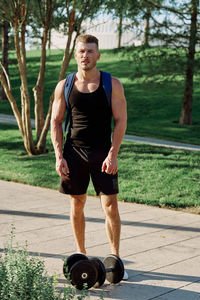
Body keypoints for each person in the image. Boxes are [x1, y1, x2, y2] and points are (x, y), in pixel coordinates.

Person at [51, 34, 128, 280]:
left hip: (103, 153)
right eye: (82, 51)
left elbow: (121, 120)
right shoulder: (65, 85)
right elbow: (55, 120)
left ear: (98, 55)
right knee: (76, 203)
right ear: (76, 54)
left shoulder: (112, 84)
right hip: (74, 152)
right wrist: (59, 156)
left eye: (90, 51)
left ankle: (115, 260)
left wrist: (113, 154)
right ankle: (80, 255)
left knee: (111, 205)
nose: (85, 55)